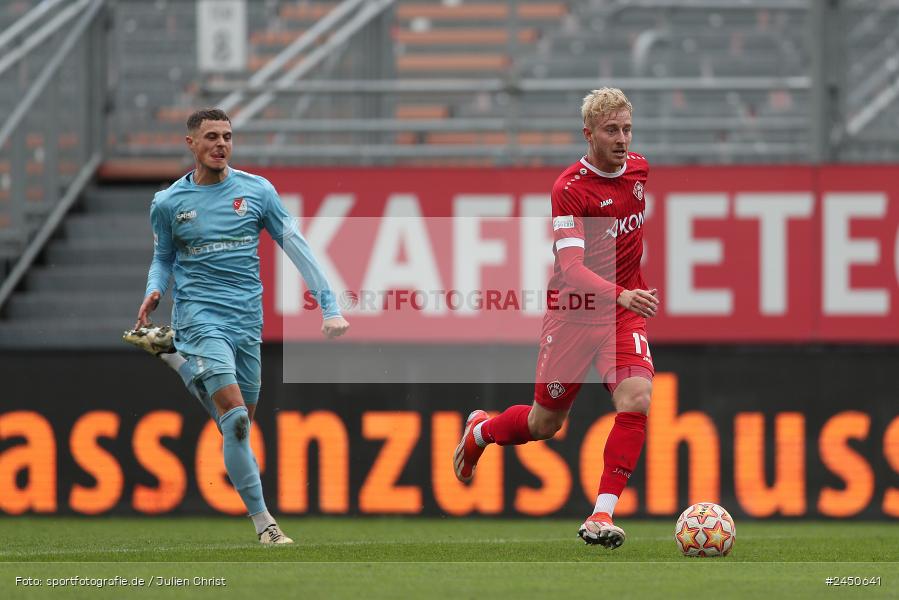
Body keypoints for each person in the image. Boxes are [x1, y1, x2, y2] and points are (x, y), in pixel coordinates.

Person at [123, 108, 349, 544]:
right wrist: (155, 288)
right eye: (211, 136)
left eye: (227, 136)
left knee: (235, 423)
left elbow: (295, 245)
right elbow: (164, 257)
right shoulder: (169, 203)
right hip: (199, 317)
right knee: (238, 421)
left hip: (246, 320)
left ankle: (175, 360)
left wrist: (328, 306)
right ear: (191, 143)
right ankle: (265, 525)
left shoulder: (257, 192)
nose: (221, 144)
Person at [453, 88, 659, 549]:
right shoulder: (569, 189)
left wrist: (626, 297)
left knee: (637, 398)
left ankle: (601, 514)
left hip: (622, 318)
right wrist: (623, 293)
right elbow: (572, 269)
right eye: (611, 130)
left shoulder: (641, 170)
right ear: (588, 134)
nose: (622, 139)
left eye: (627, 129)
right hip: (576, 315)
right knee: (545, 425)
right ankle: (481, 431)